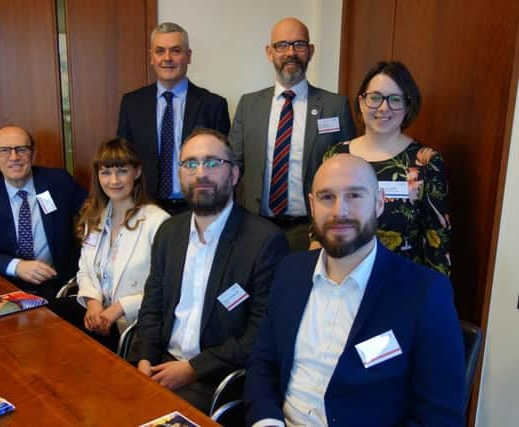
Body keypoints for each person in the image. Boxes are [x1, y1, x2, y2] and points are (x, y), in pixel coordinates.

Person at [245, 154, 465, 427]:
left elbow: (440, 418)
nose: (340, 211)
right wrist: (267, 422)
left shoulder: (425, 293)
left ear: (379, 202)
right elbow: (263, 362)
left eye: (354, 196)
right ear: (312, 206)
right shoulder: (290, 271)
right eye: (327, 197)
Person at [129, 128, 289, 413]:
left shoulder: (265, 241)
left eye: (213, 163)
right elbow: (151, 307)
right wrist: (143, 360)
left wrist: (192, 369)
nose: (200, 173)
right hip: (158, 365)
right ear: (180, 174)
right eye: (190, 163)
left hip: (213, 379)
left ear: (234, 175)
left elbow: (259, 335)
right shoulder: (168, 232)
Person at [230, 17, 355, 252]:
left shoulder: (334, 106)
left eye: (299, 44)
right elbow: (232, 167)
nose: (291, 52)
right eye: (282, 45)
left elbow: (347, 170)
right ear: (269, 52)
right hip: (256, 226)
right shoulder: (248, 105)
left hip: (311, 229)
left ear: (311, 51)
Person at [324, 61, 451, 276]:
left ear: (408, 106)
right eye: (375, 98)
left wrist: (435, 299)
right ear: (362, 102)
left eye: (395, 99)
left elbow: (437, 241)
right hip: (341, 280)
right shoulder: (336, 156)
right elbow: (320, 224)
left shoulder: (426, 161)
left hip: (401, 285)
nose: (384, 108)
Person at [0, 126, 87, 301]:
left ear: (32, 154)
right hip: (9, 289)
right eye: (4, 151)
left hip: (61, 287)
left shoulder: (58, 181)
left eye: (21, 149)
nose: (14, 157)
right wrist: (16, 266)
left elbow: (94, 212)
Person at [117, 22, 230, 215]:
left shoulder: (213, 105)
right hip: (146, 207)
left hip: (197, 207)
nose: (167, 58)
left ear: (189, 56)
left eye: (175, 51)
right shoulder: (131, 104)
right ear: (151, 57)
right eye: (160, 51)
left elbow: (223, 164)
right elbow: (123, 159)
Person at [71, 138, 169, 351]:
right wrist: (93, 304)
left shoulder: (158, 221)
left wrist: (118, 309)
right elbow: (84, 271)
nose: (113, 180)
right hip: (97, 316)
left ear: (137, 172)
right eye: (105, 172)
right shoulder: (94, 217)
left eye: (122, 171)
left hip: (134, 325)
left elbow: (166, 287)